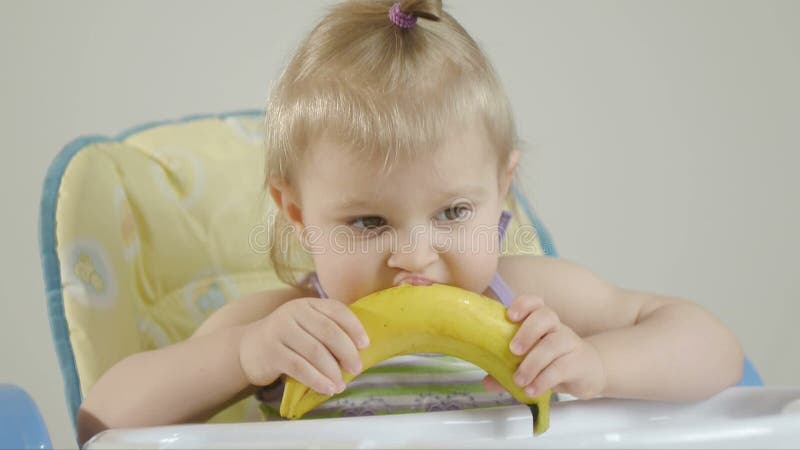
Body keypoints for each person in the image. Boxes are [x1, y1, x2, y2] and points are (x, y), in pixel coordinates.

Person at [77, 0, 744, 444]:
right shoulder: (279, 331)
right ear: (299, 215)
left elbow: (717, 353)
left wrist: (599, 364)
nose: (414, 256)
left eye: (453, 212)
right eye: (368, 221)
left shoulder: (531, 301)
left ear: (501, 190)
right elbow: (99, 421)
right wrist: (240, 356)